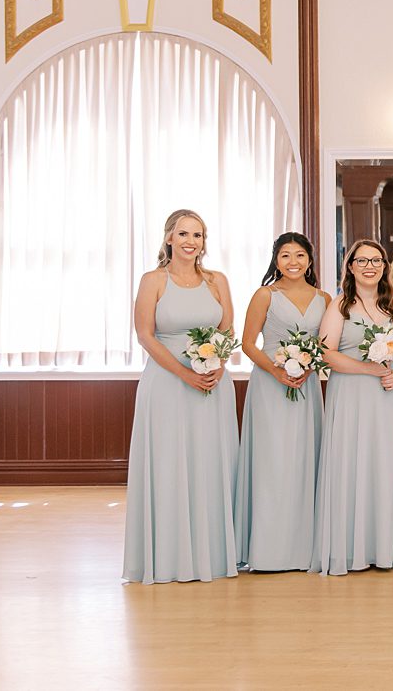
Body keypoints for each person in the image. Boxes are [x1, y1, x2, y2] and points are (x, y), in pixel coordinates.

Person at [123, 209, 239, 584]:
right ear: (169, 238)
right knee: (169, 463)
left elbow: (227, 328)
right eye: (184, 234)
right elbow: (145, 335)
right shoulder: (154, 280)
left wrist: (217, 364)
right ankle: (168, 557)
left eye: (199, 235)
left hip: (212, 385)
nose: (192, 241)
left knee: (209, 463)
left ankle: (214, 555)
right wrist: (186, 373)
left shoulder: (217, 281)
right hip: (167, 385)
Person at [313, 240, 393, 574]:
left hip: (385, 397)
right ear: (351, 266)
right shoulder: (341, 305)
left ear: (385, 266)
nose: (370, 266)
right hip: (351, 396)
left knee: (382, 466)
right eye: (362, 260)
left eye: (376, 260)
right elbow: (326, 352)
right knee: (352, 464)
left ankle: (383, 548)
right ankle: (350, 549)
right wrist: (368, 368)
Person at [235, 231, 331, 572]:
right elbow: (248, 344)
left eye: (300, 255)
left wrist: (311, 366)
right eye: (286, 255)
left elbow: (327, 345)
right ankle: (269, 550)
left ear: (310, 260)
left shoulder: (325, 298)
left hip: (307, 388)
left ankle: (304, 549)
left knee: (305, 461)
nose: (293, 262)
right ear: (276, 260)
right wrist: (277, 372)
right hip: (270, 387)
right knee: (273, 463)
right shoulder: (265, 295)